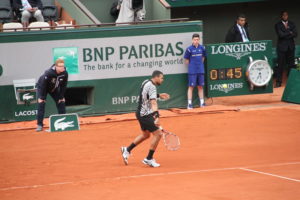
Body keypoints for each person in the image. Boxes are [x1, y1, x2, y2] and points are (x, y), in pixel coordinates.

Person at [121, 70, 170, 167]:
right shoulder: (152, 87)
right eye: (161, 78)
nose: (162, 80)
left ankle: (127, 150)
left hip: (140, 113)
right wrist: (156, 117)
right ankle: (149, 158)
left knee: (146, 135)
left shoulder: (146, 82)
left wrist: (159, 95)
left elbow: (145, 95)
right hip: (145, 114)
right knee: (158, 134)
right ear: (156, 77)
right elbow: (153, 103)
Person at [36, 59, 68, 132]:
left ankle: (63, 122)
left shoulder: (65, 73)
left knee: (61, 102)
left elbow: (64, 85)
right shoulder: (49, 73)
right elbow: (43, 85)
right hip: (42, 88)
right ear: (55, 66)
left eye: (63, 66)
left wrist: (61, 96)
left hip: (54, 89)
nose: (62, 68)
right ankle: (39, 125)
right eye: (60, 66)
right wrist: (42, 97)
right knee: (41, 104)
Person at [274, 11, 298, 88]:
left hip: (291, 47)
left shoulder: (292, 23)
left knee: (291, 65)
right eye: (283, 15)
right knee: (280, 65)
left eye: (286, 15)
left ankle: (292, 82)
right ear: (281, 16)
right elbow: (281, 35)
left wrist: (287, 33)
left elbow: (296, 34)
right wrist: (290, 33)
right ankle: (278, 82)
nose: (285, 16)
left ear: (288, 16)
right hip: (282, 48)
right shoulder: (278, 25)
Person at [184, 33, 206, 109]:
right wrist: (192, 66)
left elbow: (203, 58)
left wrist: (199, 65)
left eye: (197, 39)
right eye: (194, 40)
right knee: (191, 87)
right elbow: (186, 60)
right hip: (192, 71)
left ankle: (202, 103)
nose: (196, 41)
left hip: (200, 70)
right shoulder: (189, 49)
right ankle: (189, 104)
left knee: (200, 87)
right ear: (192, 40)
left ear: (199, 40)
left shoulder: (202, 48)